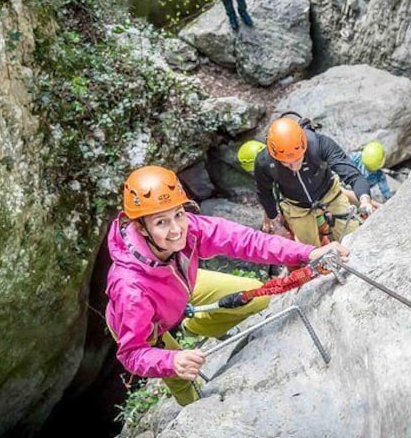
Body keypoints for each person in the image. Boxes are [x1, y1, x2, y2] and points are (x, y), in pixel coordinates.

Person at [104, 165, 348, 406]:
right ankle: (194, 413)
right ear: (141, 228)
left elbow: (244, 240)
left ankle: (194, 326)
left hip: (178, 283)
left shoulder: (189, 230)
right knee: (181, 378)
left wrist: (309, 253)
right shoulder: (130, 290)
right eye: (161, 223)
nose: (177, 229)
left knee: (256, 295)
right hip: (148, 317)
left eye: (178, 214)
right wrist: (172, 361)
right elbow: (132, 353)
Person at [253, 116, 376, 247]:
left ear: (303, 145)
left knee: (352, 237)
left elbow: (351, 173)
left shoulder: (319, 144)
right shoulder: (265, 163)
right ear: (274, 154)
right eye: (286, 164)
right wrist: (275, 220)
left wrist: (364, 199)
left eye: (298, 159)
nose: (294, 166)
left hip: (330, 194)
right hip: (297, 206)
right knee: (310, 251)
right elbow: (264, 192)